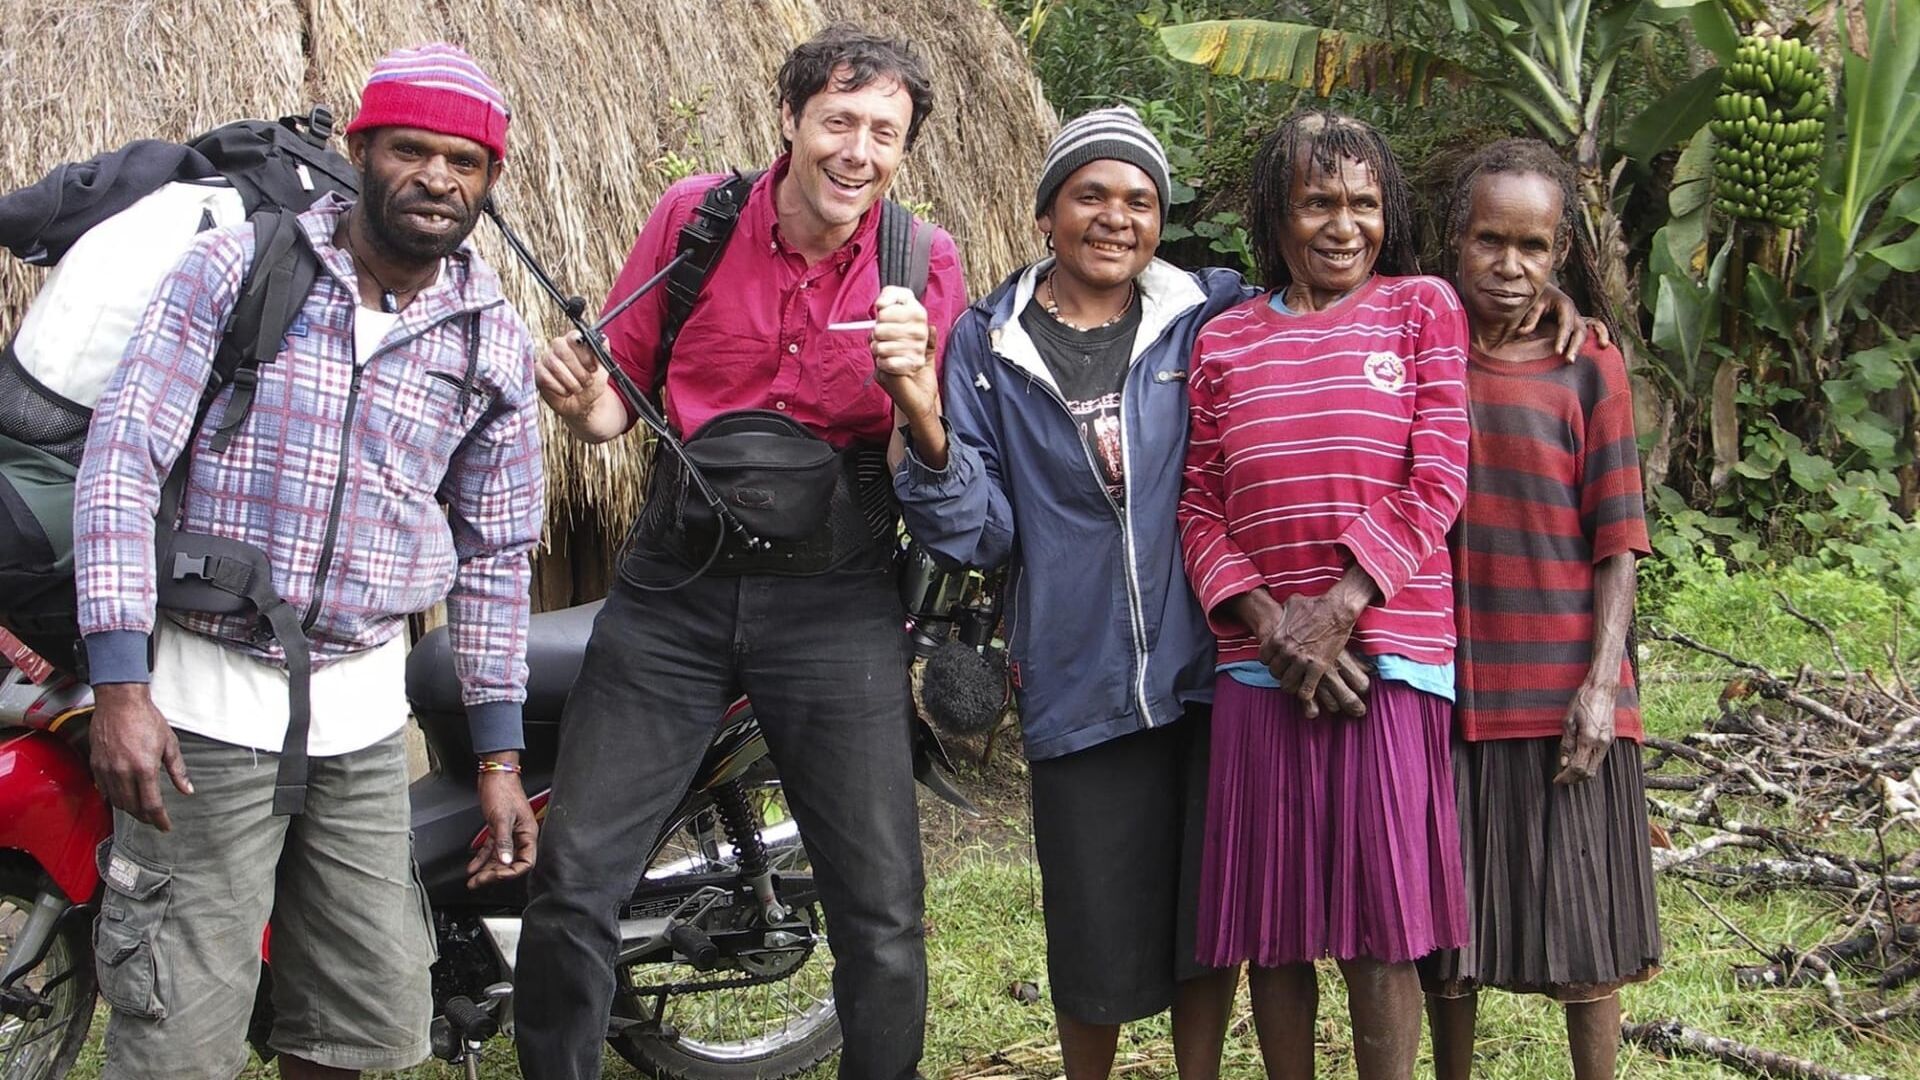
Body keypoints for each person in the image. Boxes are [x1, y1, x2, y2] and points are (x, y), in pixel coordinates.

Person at [74, 42, 543, 1078]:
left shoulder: (488, 341)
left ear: (488, 182)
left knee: (363, 1018)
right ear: (363, 151)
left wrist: (500, 759)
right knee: (178, 1031)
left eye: (463, 163)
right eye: (411, 150)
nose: (436, 179)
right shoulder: (236, 268)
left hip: (362, 724)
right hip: (203, 708)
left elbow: (501, 559)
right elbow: (122, 463)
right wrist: (120, 684)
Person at [515, 25, 966, 1080]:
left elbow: (929, 459)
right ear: (790, 120)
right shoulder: (696, 220)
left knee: (881, 906)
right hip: (674, 591)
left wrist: (917, 393)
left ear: (903, 149)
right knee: (577, 878)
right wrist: (581, 400)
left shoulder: (920, 259)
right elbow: (611, 413)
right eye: (839, 122)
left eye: (883, 133)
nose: (858, 150)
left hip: (836, 602)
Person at [886, 106, 1252, 1080]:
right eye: (1091, 193)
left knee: (1206, 915)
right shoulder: (986, 346)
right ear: (1049, 210)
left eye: (1139, 199)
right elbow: (981, 529)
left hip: (1209, 666)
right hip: (1075, 675)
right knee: (1089, 922)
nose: (1116, 217)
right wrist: (925, 426)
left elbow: (1328, 330)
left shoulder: (1209, 315)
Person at [1176, 108, 1469, 1080]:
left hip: (1386, 658)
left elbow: (1440, 478)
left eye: (1364, 204)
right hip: (1264, 670)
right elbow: (1199, 508)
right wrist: (1274, 628)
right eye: (1318, 203)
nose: (1344, 225)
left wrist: (1339, 606)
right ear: (1276, 213)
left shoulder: (1422, 308)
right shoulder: (1223, 343)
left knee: (1381, 929)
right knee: (1277, 923)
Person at [1418, 137, 1661, 1080]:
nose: (1511, 268)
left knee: (1586, 936)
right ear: (1456, 239)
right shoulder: (1418, 345)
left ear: (1561, 253)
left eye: (1534, 248)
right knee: (1447, 939)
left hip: (1564, 688)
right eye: (1491, 241)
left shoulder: (1588, 364)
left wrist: (1603, 684)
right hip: (1448, 687)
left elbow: (1620, 537)